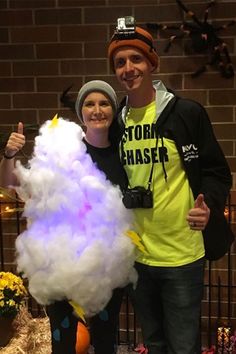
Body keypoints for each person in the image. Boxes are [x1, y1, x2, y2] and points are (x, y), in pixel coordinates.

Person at [107, 18, 234, 354]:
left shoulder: (186, 113)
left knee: (183, 345)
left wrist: (210, 206)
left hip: (181, 254)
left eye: (136, 59)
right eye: (120, 63)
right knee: (154, 343)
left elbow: (218, 172)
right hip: (138, 256)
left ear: (152, 62)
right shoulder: (117, 124)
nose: (128, 68)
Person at [0, 80, 129, 354]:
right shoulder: (63, 150)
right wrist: (10, 154)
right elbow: (12, 183)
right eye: (89, 104)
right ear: (81, 112)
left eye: (104, 103)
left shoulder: (123, 153)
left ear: (113, 109)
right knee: (63, 342)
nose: (97, 109)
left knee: (106, 341)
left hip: (107, 267)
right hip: (61, 267)